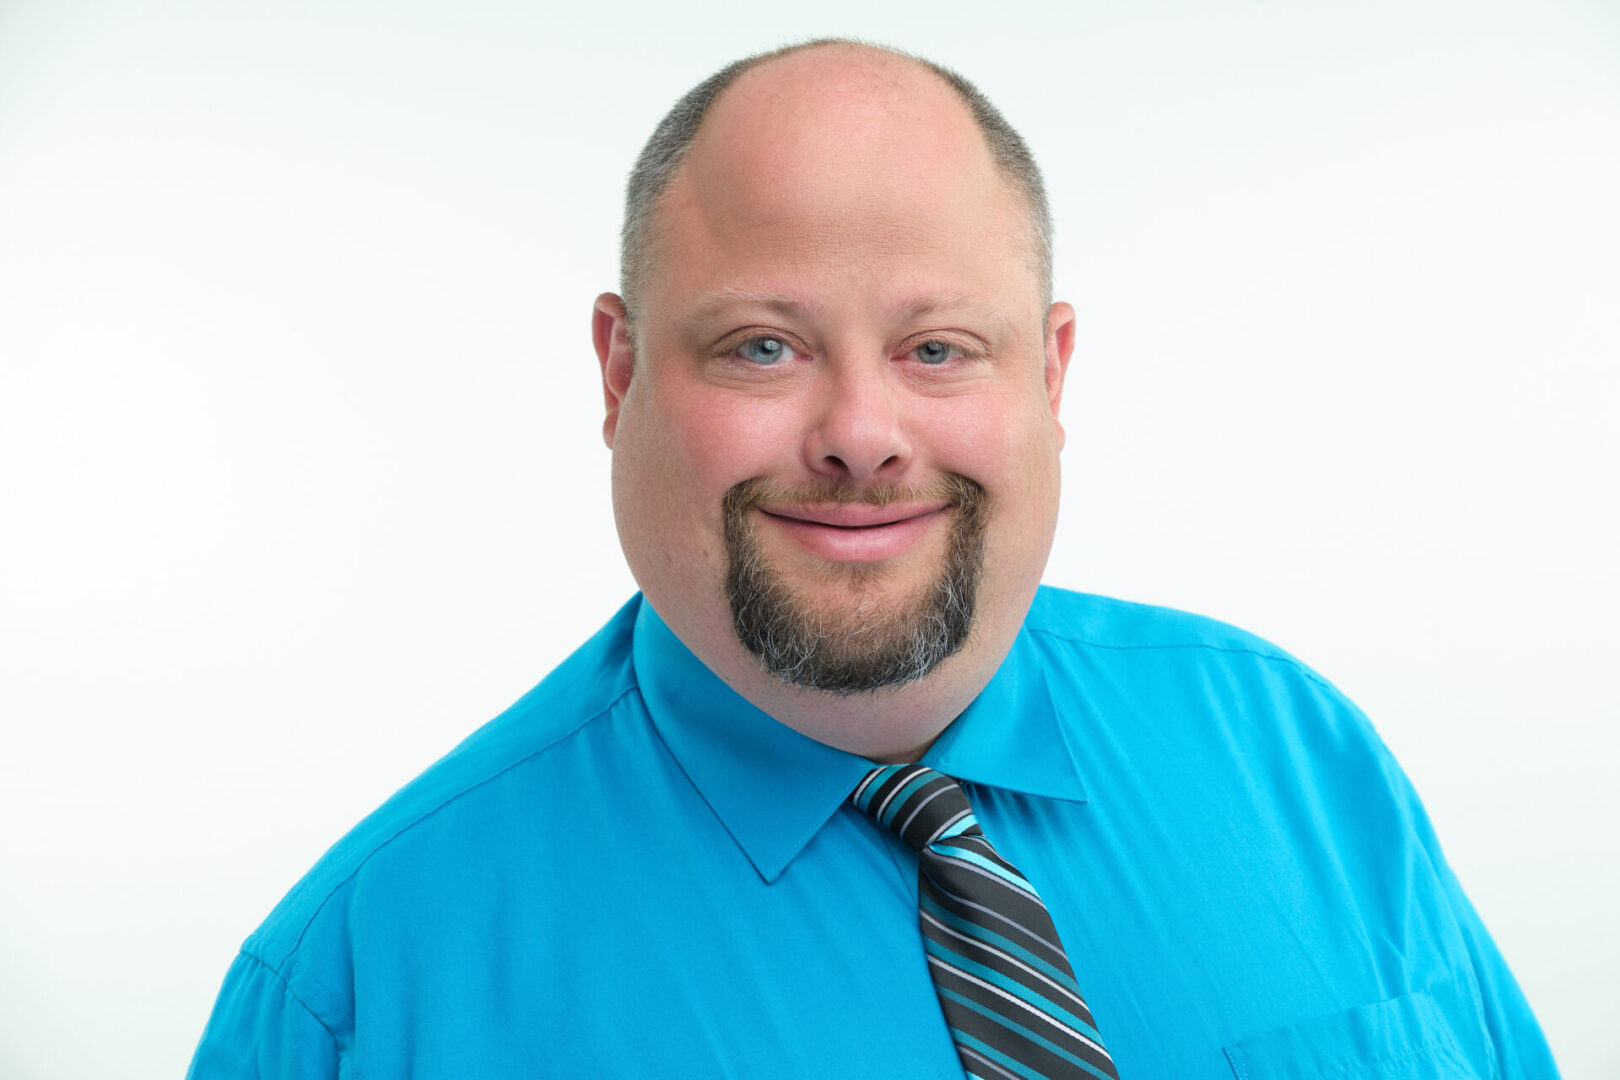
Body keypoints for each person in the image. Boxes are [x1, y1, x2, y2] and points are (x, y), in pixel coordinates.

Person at [187, 39, 1559, 1079]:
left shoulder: (1295, 753)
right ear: (618, 375)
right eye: (763, 346)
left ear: (1052, 372)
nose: (861, 435)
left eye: (937, 348)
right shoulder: (362, 985)